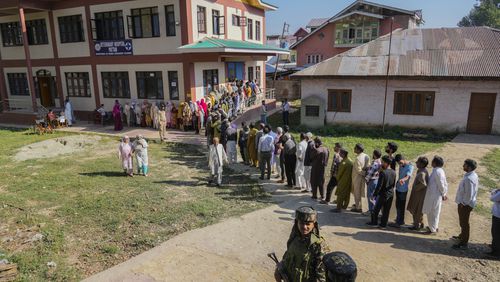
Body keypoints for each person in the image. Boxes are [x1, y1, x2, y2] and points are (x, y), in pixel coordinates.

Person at [275, 206, 329, 282]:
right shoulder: (294, 237)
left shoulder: (318, 245)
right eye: (301, 223)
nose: (304, 227)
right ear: (297, 223)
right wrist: (281, 268)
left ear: (314, 224)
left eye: (308, 224)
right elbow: (288, 255)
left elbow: (322, 276)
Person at [452, 159, 479, 249]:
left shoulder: (469, 179)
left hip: (465, 204)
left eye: (465, 165)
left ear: (469, 167)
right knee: (462, 221)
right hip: (465, 203)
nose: (463, 166)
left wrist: (463, 203)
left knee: (464, 223)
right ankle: (462, 235)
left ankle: (464, 243)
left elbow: (469, 194)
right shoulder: (471, 175)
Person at [367, 156, 396, 229]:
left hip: (382, 194)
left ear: (386, 163)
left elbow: (379, 186)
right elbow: (393, 184)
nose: (381, 163)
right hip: (390, 194)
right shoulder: (393, 172)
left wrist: (374, 195)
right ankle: (383, 225)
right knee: (386, 211)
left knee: (376, 209)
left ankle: (374, 222)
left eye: (382, 162)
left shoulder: (383, 173)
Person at [422, 156, 448, 235]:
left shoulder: (437, 172)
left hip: (434, 195)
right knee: (434, 212)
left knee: (432, 212)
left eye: (432, 161)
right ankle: (433, 227)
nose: (431, 162)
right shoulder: (438, 171)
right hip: (434, 194)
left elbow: (441, 184)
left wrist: (443, 193)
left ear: (435, 163)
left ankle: (432, 229)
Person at [389, 154, 414, 228]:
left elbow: (408, 176)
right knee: (397, 205)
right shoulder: (401, 164)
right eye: (399, 163)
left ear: (404, 159)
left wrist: (403, 179)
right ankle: (399, 219)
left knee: (401, 206)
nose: (400, 164)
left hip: (403, 190)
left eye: (400, 162)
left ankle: (399, 222)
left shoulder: (410, 166)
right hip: (398, 187)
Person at [407, 157, 430, 231]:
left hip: (419, 195)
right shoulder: (423, 171)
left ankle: (416, 225)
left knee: (416, 210)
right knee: (418, 211)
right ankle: (420, 223)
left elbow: (423, 184)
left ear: (422, 164)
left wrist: (415, 188)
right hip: (420, 194)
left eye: (418, 162)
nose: (416, 163)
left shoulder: (422, 173)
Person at [351, 144, 370, 213]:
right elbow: (368, 166)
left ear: (358, 150)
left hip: (357, 178)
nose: (354, 149)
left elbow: (359, 171)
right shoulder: (366, 156)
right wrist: (366, 174)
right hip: (363, 178)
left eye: (355, 148)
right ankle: (360, 205)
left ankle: (358, 208)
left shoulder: (357, 159)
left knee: (357, 193)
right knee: (362, 192)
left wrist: (364, 173)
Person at [364, 149, 382, 213]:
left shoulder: (375, 162)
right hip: (377, 180)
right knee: (374, 196)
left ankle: (371, 210)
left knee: (370, 196)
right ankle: (374, 210)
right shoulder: (380, 162)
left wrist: (366, 179)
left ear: (374, 155)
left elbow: (370, 172)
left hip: (372, 180)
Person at [488, 189, 500, 258]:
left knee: (496, 233)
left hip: (498, 215)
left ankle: (496, 251)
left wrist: (494, 192)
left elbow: (492, 198)